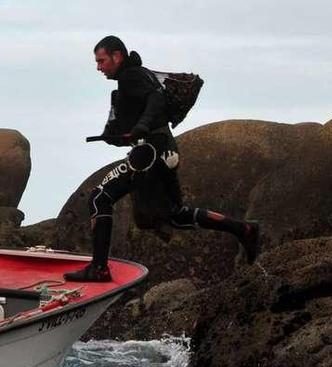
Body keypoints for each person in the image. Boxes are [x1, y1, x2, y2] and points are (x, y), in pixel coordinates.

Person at [64, 35, 260, 282]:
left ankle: (99, 269)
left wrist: (142, 126)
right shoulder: (140, 75)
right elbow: (147, 112)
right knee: (175, 214)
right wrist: (115, 136)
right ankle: (243, 228)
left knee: (99, 198)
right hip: (165, 149)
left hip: (149, 153)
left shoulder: (130, 76)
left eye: (101, 61)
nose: (99, 67)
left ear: (117, 56)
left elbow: (156, 100)